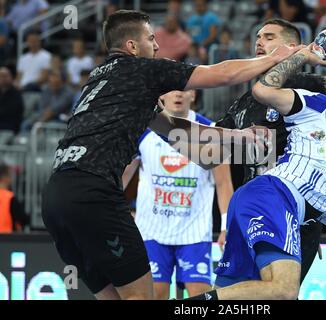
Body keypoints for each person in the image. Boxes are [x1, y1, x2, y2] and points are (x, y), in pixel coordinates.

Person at [41, 9, 300, 300]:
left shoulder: (104, 80)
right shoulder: (143, 69)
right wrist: (275, 58)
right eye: (151, 39)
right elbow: (222, 74)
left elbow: (179, 131)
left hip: (55, 199)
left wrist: (238, 137)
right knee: (140, 297)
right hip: (94, 192)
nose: (156, 46)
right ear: (132, 47)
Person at [188, 55, 326, 300]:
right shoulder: (320, 105)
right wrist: (300, 56)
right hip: (274, 197)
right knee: (285, 290)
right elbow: (262, 90)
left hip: (271, 205)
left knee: (233, 297)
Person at [127, 89, 233, 300]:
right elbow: (122, 176)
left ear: (192, 95)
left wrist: (225, 227)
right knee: (155, 294)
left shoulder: (210, 131)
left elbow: (223, 183)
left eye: (183, 90)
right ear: (161, 96)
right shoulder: (143, 128)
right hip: (151, 230)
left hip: (193, 232)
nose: (177, 94)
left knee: (199, 296)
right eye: (171, 90)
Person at [0, 163, 29, 233]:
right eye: (10, 175)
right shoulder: (9, 198)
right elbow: (24, 219)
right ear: (5, 178)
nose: (12, 178)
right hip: (6, 240)